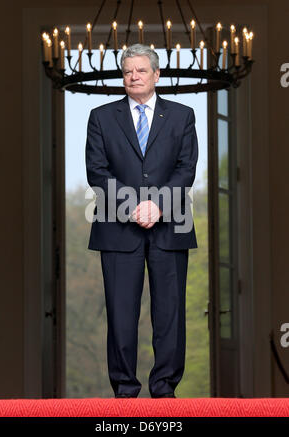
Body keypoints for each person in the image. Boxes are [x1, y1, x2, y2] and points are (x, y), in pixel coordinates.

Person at [85, 44, 198, 398]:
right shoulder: (101, 117)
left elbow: (186, 169)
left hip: (170, 226)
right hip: (118, 229)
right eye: (128, 71)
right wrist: (135, 206)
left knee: (170, 315)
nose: (133, 76)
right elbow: (97, 172)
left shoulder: (182, 116)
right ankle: (124, 390)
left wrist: (158, 206)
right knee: (120, 314)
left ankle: (164, 388)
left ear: (156, 75)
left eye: (141, 70)